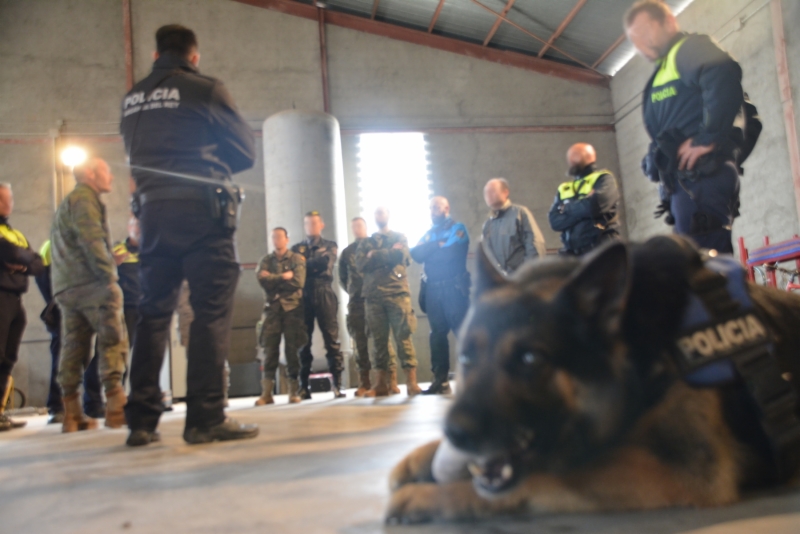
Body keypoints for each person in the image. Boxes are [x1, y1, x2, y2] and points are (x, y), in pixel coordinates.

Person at [120, 24, 257, 446]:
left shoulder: (132, 99)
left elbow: (134, 154)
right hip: (202, 213)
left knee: (152, 315)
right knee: (210, 313)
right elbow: (245, 152)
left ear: (156, 53)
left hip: (153, 215)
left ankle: (141, 422)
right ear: (193, 56)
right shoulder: (205, 89)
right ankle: (204, 418)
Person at [626, 0, 744, 253]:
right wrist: (654, 159)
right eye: (636, 41)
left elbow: (723, 76)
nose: (642, 45)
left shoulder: (690, 49)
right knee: (692, 266)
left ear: (669, 22)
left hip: (701, 179)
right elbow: (668, 128)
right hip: (684, 185)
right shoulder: (666, 68)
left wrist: (708, 137)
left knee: (708, 268)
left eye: (646, 33)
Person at [50, 158, 128, 433]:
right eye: (107, 171)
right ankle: (116, 406)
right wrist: (109, 275)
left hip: (67, 287)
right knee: (112, 341)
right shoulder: (85, 199)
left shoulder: (67, 202)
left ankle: (72, 414)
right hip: (92, 285)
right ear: (92, 175)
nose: (111, 177)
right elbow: (91, 239)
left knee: (74, 347)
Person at [34, 240, 101, 424]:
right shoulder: (51, 246)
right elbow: (47, 286)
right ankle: (57, 407)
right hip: (64, 310)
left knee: (82, 356)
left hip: (82, 308)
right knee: (62, 355)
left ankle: (77, 406)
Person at [355, 207, 420, 397]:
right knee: (378, 341)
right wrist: (386, 254)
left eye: (382, 212)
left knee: (403, 337)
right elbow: (360, 265)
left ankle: (411, 382)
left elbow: (401, 256)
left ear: (388, 215)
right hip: (373, 296)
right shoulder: (366, 242)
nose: (379, 215)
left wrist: (374, 255)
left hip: (397, 293)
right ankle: (380, 384)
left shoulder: (400, 237)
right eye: (376, 212)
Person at [410, 197, 470, 395]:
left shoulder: (457, 228)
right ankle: (440, 381)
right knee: (436, 336)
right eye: (430, 208)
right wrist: (437, 245)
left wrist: (432, 251)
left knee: (463, 333)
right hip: (433, 291)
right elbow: (416, 253)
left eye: (436, 207)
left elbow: (450, 254)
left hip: (453, 289)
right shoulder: (430, 234)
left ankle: (473, 380)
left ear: (447, 208)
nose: (432, 211)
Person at [339, 217, 400, 396]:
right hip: (357, 301)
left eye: (359, 226)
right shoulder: (347, 252)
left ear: (365, 227)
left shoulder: (375, 244)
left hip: (375, 297)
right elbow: (343, 278)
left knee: (382, 340)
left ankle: (391, 381)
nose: (356, 229)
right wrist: (353, 291)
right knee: (360, 342)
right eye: (353, 227)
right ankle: (364, 383)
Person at [0, 183, 44, 431]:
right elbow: (8, 251)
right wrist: (21, 257)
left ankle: (0, 413)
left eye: (9, 198)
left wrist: (22, 262)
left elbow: (37, 264)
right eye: (4, 199)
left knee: (8, 358)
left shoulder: (14, 232)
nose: (9, 203)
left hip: (16, 300)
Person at [291, 211, 345, 400]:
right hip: (303, 294)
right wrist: (308, 264)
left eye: (314, 223)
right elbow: (295, 268)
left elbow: (324, 264)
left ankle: (337, 385)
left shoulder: (330, 245)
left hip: (323, 292)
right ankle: (303, 387)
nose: (311, 226)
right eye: (307, 223)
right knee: (303, 342)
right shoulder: (297, 248)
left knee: (331, 339)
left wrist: (305, 264)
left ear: (321, 225)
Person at [255, 227, 307, 405]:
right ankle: (266, 393)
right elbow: (262, 281)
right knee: (270, 351)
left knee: (292, 351)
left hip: (292, 310)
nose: (277, 240)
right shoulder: (266, 261)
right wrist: (283, 277)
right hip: (272, 310)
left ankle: (294, 391)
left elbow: (298, 281)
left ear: (287, 239)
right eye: (274, 237)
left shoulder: (296, 259)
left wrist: (273, 278)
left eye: (280, 237)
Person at [548, 143, 621, 256]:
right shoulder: (564, 188)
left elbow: (594, 207)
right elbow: (555, 222)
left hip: (602, 249)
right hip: (573, 254)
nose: (572, 160)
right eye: (570, 157)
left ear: (590, 157)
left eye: (576, 156)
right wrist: (583, 209)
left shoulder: (604, 178)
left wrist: (566, 208)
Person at [482, 178, 546, 274]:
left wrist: (529, 273)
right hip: (500, 281)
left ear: (505, 192)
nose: (488, 195)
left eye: (492, 191)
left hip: (522, 278)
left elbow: (535, 244)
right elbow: (487, 255)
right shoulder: (488, 224)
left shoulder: (520, 213)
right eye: (486, 193)